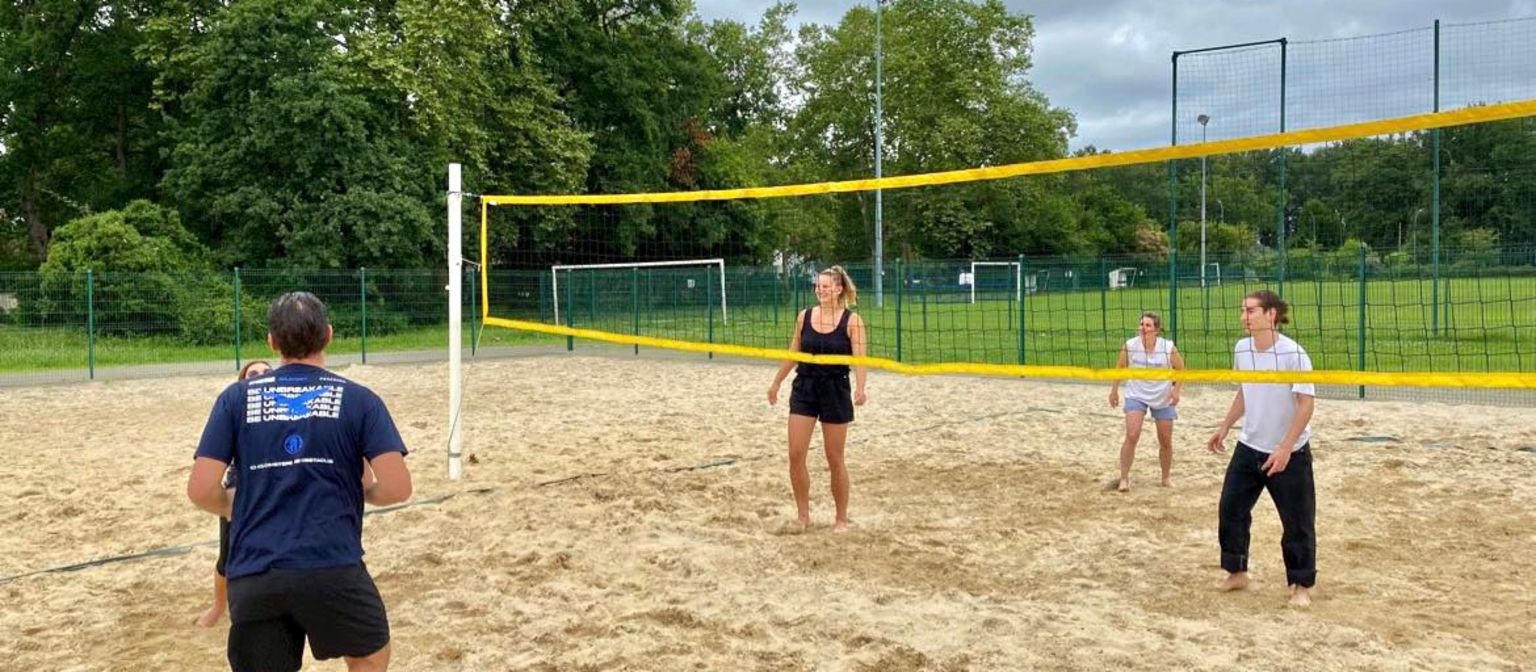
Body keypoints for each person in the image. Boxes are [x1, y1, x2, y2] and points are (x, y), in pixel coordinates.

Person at [188, 291, 413, 671]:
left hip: (255, 568)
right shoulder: (360, 399)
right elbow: (398, 488)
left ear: (272, 342)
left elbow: (199, 490)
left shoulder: (235, 398)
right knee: (370, 657)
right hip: (331, 563)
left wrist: (230, 505)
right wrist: (365, 491)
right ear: (328, 335)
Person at [1206, 289, 1318, 608]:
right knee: (1231, 509)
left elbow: (1306, 405)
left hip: (1289, 452)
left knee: (1297, 521)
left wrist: (1284, 448)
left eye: (1250, 311)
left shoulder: (1294, 354)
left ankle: (1301, 585)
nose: (1243, 316)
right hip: (1249, 445)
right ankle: (1237, 571)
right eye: (1242, 310)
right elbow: (1245, 391)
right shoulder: (1243, 348)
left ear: (1271, 314)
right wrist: (1225, 425)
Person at [767, 266, 868, 532]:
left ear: (838, 289)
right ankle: (803, 515)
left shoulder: (852, 321)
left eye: (825, 286)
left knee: (834, 457)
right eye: (817, 286)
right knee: (795, 453)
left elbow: (860, 359)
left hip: (836, 389)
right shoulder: (804, 316)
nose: (819, 290)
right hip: (805, 388)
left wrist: (861, 387)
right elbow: (793, 352)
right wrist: (776, 382)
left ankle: (841, 518)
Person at [194, 360, 273, 628]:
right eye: (253, 374)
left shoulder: (286, 411)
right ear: (242, 383)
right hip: (241, 486)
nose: (261, 376)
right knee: (228, 556)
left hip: (277, 486)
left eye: (266, 372)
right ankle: (218, 607)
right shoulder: (235, 410)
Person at [1108, 312, 1185, 491]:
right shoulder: (1130, 345)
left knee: (1165, 440)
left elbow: (1181, 369)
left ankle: (1165, 477)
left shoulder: (1167, 347)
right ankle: (1124, 478)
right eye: (1141, 324)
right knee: (1132, 435)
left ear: (1156, 330)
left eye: (1148, 325)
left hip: (1162, 396)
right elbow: (1119, 368)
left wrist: (1176, 391)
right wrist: (1114, 392)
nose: (1143, 328)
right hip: (1136, 394)